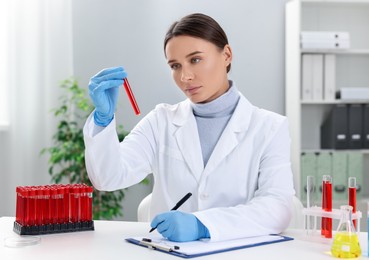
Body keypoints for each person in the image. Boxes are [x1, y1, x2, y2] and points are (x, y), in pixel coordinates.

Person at [83, 13, 294, 242]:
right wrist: (103, 120)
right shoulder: (161, 121)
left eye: (195, 60)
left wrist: (203, 225)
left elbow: (277, 208)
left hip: (239, 252)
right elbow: (108, 177)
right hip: (169, 252)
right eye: (175, 66)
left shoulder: (269, 127)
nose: (185, 76)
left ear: (226, 55)